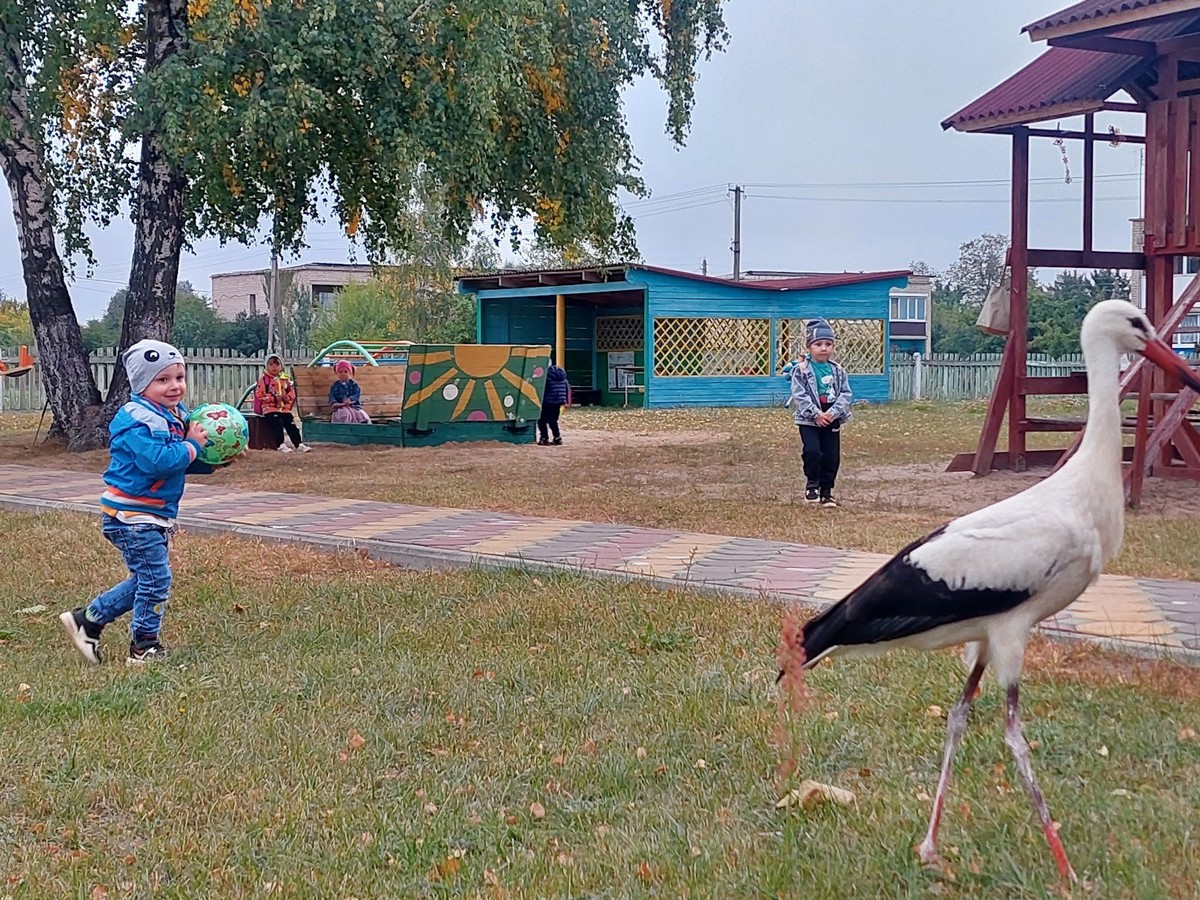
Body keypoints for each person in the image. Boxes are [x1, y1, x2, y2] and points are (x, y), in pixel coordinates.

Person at [58, 339, 225, 666]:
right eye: (162, 380)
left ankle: (87, 620)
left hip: (150, 514)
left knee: (146, 580)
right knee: (156, 580)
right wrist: (191, 445)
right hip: (131, 516)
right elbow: (159, 462)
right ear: (141, 384)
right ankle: (143, 646)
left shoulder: (173, 415)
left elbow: (181, 462)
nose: (174, 386)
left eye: (179, 377)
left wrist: (218, 459)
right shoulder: (137, 420)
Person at [789, 318, 853, 507]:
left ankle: (827, 492)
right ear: (809, 347)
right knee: (813, 451)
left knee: (831, 456)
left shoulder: (838, 370)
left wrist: (832, 413)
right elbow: (799, 395)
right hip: (809, 419)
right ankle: (812, 486)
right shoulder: (800, 370)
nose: (824, 348)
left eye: (828, 344)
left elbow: (845, 393)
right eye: (818, 344)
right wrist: (816, 413)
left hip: (832, 417)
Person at [254, 353, 311, 453]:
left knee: (291, 424)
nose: (274, 367)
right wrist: (274, 399)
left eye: (277, 364)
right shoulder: (264, 380)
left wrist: (287, 398)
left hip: (284, 409)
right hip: (270, 409)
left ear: (281, 366)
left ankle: (298, 444)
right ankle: (280, 444)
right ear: (266, 366)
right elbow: (259, 395)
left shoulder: (285, 380)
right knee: (277, 424)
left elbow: (292, 392)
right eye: (271, 364)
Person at [328, 360, 372, 424]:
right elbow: (331, 396)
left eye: (346, 371)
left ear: (350, 372)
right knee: (343, 414)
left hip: (353, 406)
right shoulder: (335, 385)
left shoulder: (353, 384)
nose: (343, 374)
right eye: (340, 372)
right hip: (340, 407)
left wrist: (350, 399)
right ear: (337, 373)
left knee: (360, 414)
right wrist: (335, 403)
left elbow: (357, 394)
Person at [538, 361, 570, 445]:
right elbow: (567, 388)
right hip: (558, 401)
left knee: (541, 420)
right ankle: (557, 438)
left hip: (547, 401)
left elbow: (543, 389)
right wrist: (565, 400)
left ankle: (544, 438)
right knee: (553, 420)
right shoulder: (562, 376)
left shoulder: (546, 376)